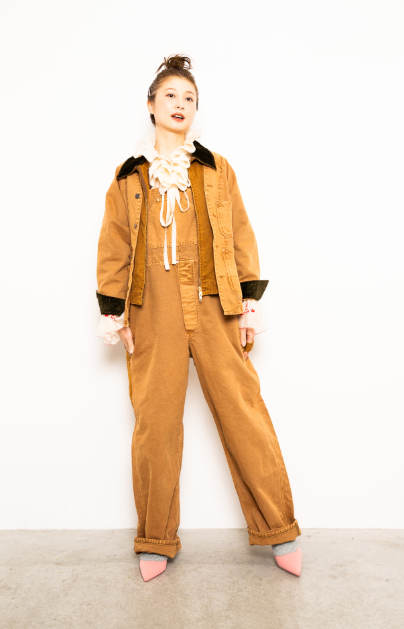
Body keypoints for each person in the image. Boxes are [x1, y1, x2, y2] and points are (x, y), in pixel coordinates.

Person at [95, 55, 302, 582]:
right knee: (155, 425)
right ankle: (155, 539)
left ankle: (280, 530)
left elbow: (241, 234)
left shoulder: (216, 168)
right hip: (151, 309)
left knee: (243, 413)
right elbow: (114, 247)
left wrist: (248, 306)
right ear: (151, 105)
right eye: (170, 95)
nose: (180, 104)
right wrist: (114, 313)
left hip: (214, 303)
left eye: (189, 98)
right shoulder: (129, 175)